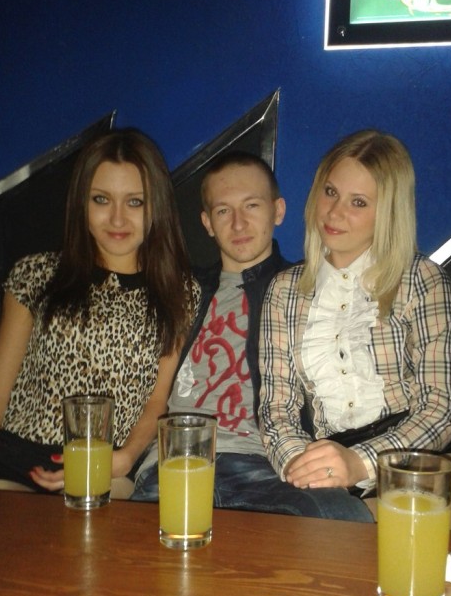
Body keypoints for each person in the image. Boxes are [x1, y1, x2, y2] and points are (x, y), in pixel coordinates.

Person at [132, 150, 373, 522]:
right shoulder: (181, 291)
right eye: (223, 211)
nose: (238, 223)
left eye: (252, 206)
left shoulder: (312, 290)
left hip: (273, 467)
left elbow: (386, 354)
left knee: (344, 519)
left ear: (278, 211)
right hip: (179, 462)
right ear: (207, 222)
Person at [0, 128, 199, 495]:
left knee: (98, 524)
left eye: (135, 202)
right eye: (101, 199)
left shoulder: (179, 291)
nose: (117, 219)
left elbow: (158, 401)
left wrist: (124, 458)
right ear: (81, 203)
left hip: (109, 466)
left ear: (157, 206)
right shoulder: (36, 274)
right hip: (17, 461)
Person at [259, 129, 451, 496]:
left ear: (387, 212)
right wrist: (300, 466)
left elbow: (441, 407)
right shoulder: (284, 291)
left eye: (358, 202)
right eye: (330, 192)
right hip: (331, 460)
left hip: (421, 454)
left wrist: (360, 463)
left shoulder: (423, 279)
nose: (335, 212)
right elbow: (277, 409)